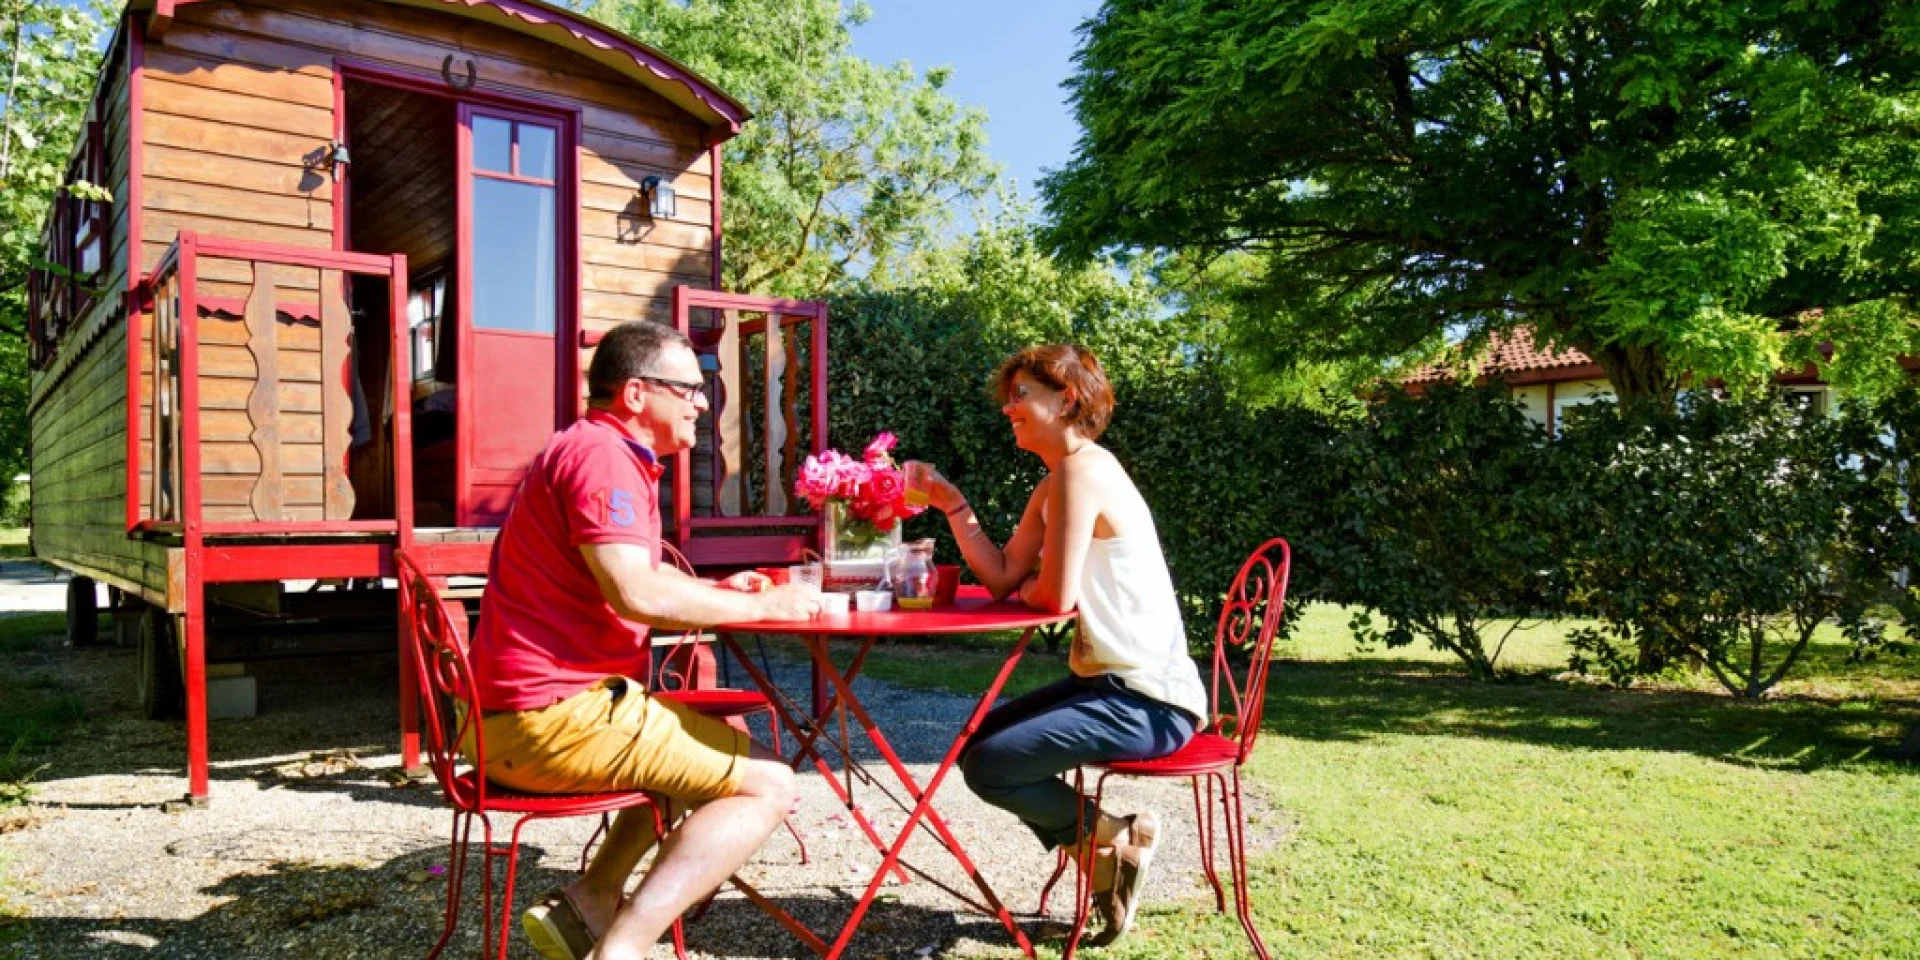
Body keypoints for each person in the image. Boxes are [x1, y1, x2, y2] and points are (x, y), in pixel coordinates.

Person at [466, 321, 824, 960]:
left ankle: (592, 900)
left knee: (713, 740)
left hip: (514, 717)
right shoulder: (603, 458)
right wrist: (769, 603)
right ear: (636, 394)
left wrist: (720, 589)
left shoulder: (591, 448)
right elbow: (637, 593)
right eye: (688, 388)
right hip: (553, 722)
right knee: (771, 784)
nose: (702, 402)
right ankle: (623, 948)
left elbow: (636, 576)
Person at [919, 344, 1208, 946]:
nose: (1009, 408)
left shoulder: (1084, 472)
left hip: (1149, 701)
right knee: (981, 749)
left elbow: (1052, 598)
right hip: (1109, 687)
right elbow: (1003, 577)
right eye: (1009, 397)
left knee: (993, 763)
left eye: (1021, 395)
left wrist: (1035, 586)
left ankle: (1109, 841)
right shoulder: (1058, 483)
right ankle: (1110, 852)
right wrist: (952, 504)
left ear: (1067, 398)